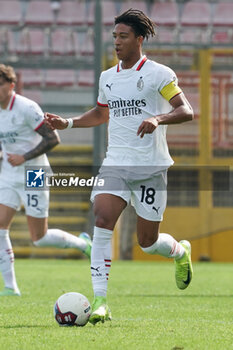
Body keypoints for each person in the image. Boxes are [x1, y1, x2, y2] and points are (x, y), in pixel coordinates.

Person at [45, 9, 194, 325]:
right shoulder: (107, 78)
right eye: (114, 36)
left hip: (150, 168)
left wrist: (158, 117)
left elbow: (185, 110)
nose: (117, 42)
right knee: (102, 218)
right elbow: (101, 114)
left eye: (123, 36)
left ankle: (180, 253)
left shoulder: (158, 74)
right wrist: (68, 123)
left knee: (148, 242)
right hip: (115, 163)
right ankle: (100, 301)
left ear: (139, 39)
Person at [0, 64, 92, 297]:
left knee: (38, 239)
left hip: (34, 173)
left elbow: (53, 138)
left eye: (0, 84)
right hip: (9, 174)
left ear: (11, 86)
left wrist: (25, 157)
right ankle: (11, 288)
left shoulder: (27, 108)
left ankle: (83, 245)